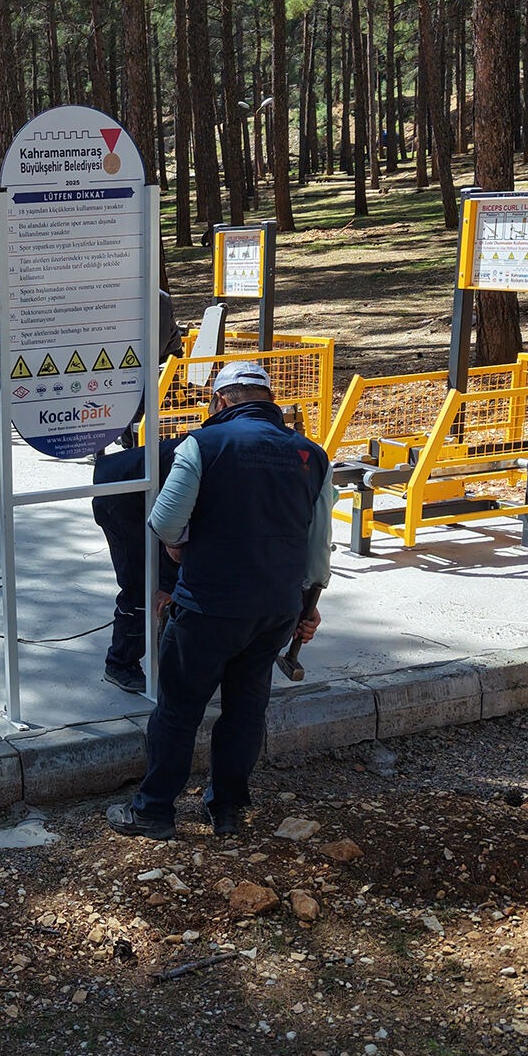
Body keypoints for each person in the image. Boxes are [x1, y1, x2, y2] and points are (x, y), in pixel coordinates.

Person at [106, 360, 334, 839]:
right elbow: (318, 551)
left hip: (207, 606)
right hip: (274, 610)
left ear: (220, 400)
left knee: (178, 710)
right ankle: (227, 809)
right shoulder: (312, 455)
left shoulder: (204, 443)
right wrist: (307, 607)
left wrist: (178, 545)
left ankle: (153, 812)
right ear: (270, 401)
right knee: (246, 709)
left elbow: (166, 521)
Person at [92, 436, 183, 694]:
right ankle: (120, 663)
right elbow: (174, 526)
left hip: (152, 491)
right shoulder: (219, 461)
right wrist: (168, 582)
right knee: (142, 582)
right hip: (121, 493)